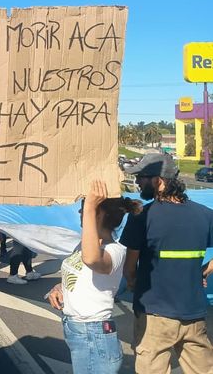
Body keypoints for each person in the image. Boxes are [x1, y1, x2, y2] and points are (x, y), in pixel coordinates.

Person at [119, 153, 213, 373]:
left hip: (154, 317)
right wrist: (205, 271)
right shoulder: (205, 215)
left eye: (142, 177)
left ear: (158, 180)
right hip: (194, 315)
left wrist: (132, 283)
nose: (138, 182)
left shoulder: (142, 217)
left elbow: (129, 268)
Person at [46, 180, 143, 373]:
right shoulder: (82, 246)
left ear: (100, 213)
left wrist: (90, 205)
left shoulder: (115, 250)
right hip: (78, 330)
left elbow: (91, 260)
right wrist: (58, 288)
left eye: (84, 210)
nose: (80, 213)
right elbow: (79, 275)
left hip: (94, 333)